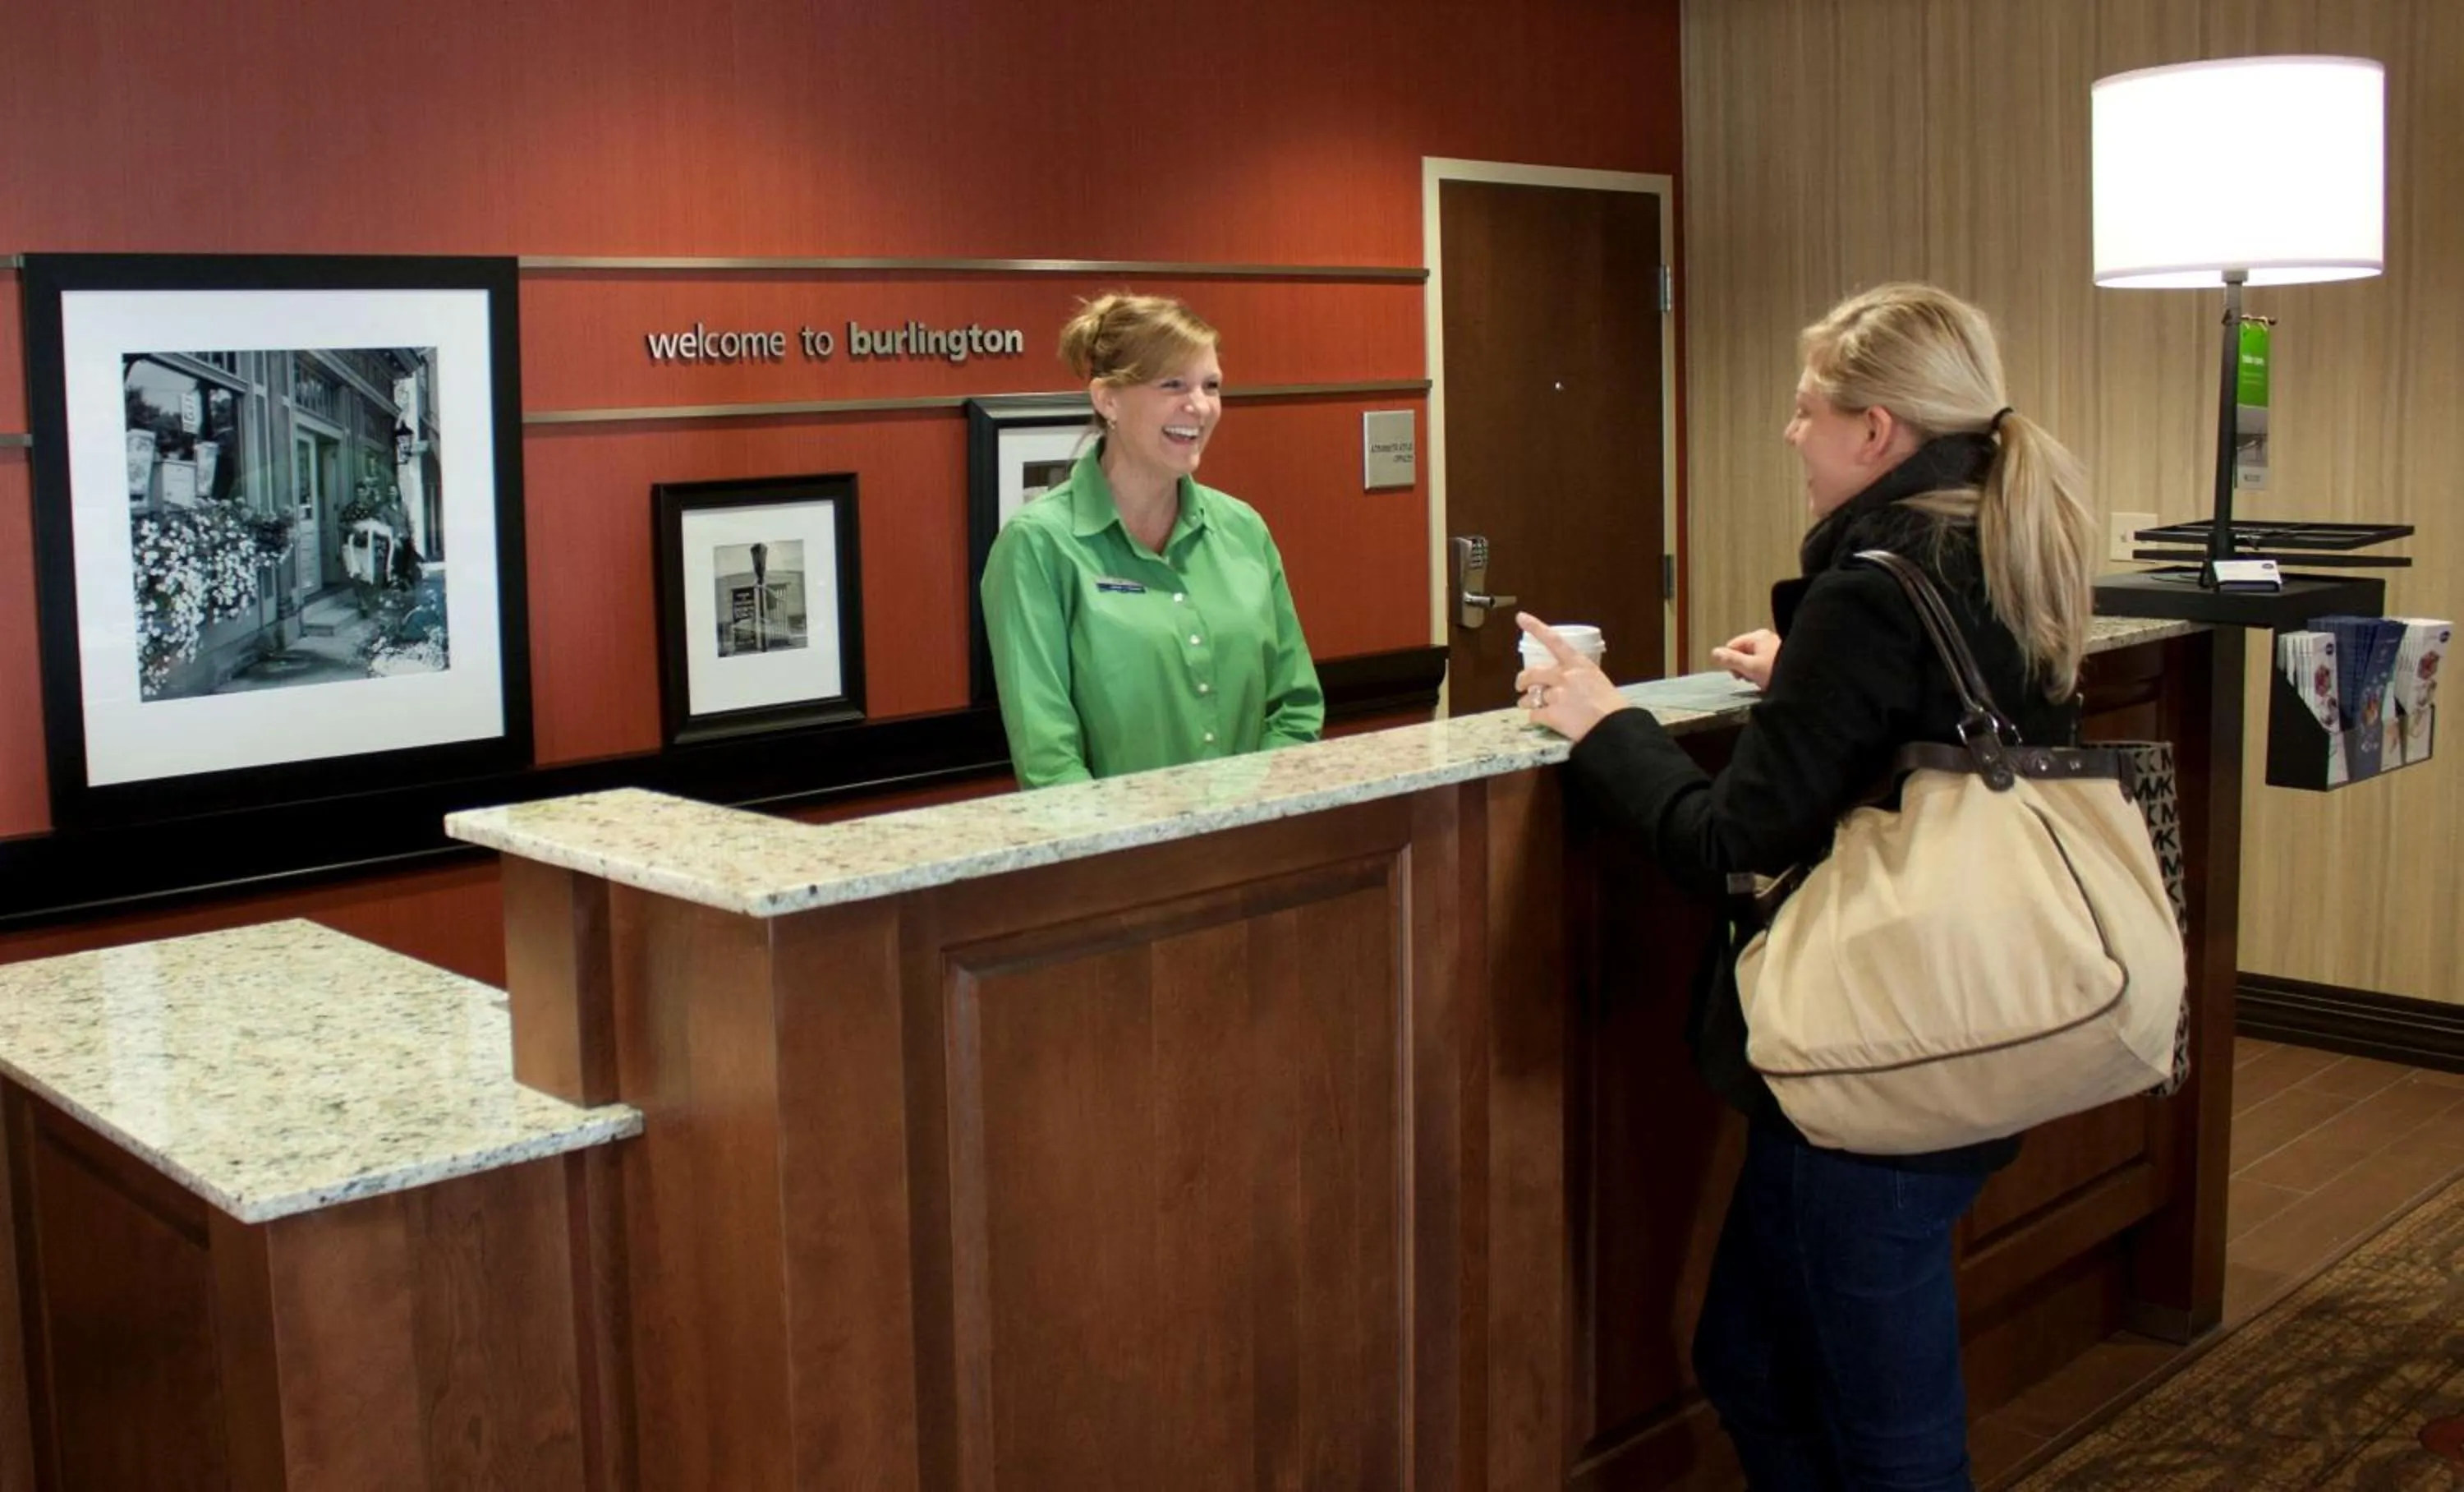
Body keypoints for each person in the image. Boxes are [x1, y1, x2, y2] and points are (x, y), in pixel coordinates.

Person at [1515, 283, 2099, 1490]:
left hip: (1880, 1057)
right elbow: (1947, 713)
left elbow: (1727, 841)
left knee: (1885, 1428)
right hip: (1974, 1020)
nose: (1790, 434)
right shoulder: (1994, 541)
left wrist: (1605, 722)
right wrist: (1809, 677)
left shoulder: (1872, 588)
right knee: (1755, 1357)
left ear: (1874, 430)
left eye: (1804, 411)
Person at [981, 294, 1323, 787]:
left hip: (1255, 829)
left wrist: (1245, 813)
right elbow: (1049, 763)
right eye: (1173, 385)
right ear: (1108, 400)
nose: (1199, 406)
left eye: (1211, 385)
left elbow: (1295, 709)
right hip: (1116, 838)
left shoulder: (1244, 529)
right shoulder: (1036, 546)